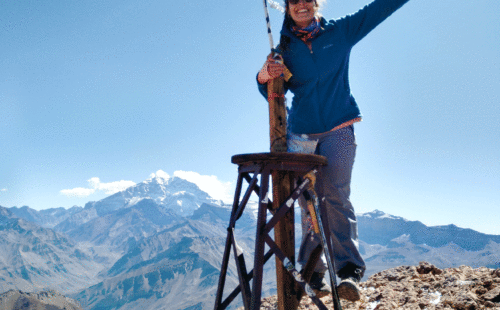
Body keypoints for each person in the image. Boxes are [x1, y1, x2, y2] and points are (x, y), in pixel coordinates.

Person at [256, 0, 410, 302]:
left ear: (316, 3)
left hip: (339, 127)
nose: (301, 5)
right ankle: (313, 272)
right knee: (307, 202)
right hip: (300, 133)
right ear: (286, 8)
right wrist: (264, 75)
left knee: (335, 195)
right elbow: (273, 91)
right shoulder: (282, 48)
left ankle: (348, 272)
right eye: (293, 1)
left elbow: (378, 9)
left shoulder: (341, 31)